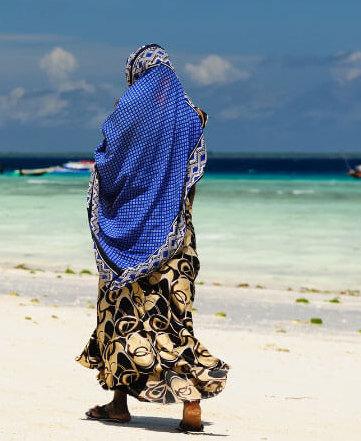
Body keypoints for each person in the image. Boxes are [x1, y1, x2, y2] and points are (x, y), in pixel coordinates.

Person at [76, 44, 229, 432]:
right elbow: (190, 179)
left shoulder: (125, 114)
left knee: (121, 318)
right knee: (173, 320)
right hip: (176, 240)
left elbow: (107, 165)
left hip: (127, 242)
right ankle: (191, 406)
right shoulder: (192, 116)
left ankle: (119, 404)